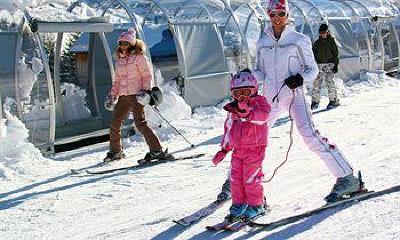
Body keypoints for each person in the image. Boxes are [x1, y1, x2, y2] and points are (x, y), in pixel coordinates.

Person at [218, 0, 362, 203]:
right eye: (272, 14)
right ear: (268, 16)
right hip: (269, 99)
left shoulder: (298, 39)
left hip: (295, 95)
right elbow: (261, 72)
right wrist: (248, 75)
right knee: (248, 138)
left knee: (310, 135)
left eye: (280, 14)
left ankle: (347, 177)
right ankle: (234, 181)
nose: (276, 18)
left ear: (287, 15)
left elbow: (312, 69)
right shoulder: (263, 42)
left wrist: (300, 78)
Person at [104, 28, 173, 162]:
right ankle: (115, 151)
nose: (123, 46)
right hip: (123, 96)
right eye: (121, 43)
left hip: (137, 96)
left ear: (132, 44)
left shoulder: (139, 58)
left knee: (140, 123)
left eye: (126, 43)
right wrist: (112, 95)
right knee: (114, 124)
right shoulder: (119, 61)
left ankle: (156, 150)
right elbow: (117, 81)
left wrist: (146, 91)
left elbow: (147, 75)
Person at [212, 72, 271, 220]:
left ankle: (257, 205)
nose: (242, 97)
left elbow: (263, 117)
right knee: (235, 179)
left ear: (254, 89)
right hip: (238, 150)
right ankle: (240, 204)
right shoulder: (234, 109)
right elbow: (228, 128)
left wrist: (249, 113)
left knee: (250, 178)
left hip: (255, 149)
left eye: (246, 92)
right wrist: (224, 149)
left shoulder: (259, 102)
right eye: (238, 93)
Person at [311, 23, 340, 110]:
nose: (322, 34)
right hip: (319, 65)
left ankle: (333, 100)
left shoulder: (331, 42)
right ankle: (315, 101)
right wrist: (314, 64)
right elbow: (313, 55)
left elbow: (335, 54)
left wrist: (335, 65)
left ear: (327, 32)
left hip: (329, 65)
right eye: (321, 33)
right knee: (316, 83)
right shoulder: (317, 43)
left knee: (330, 82)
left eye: (324, 32)